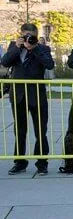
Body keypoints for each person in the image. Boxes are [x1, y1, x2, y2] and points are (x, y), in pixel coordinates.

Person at [1, 22, 55, 175]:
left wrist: (35, 48)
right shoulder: (15, 46)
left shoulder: (42, 48)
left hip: (36, 95)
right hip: (18, 95)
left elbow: (49, 65)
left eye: (31, 36)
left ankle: (42, 163)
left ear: (36, 36)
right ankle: (19, 162)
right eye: (25, 36)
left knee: (40, 131)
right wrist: (17, 47)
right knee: (19, 131)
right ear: (21, 34)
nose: (28, 39)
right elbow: (4, 62)